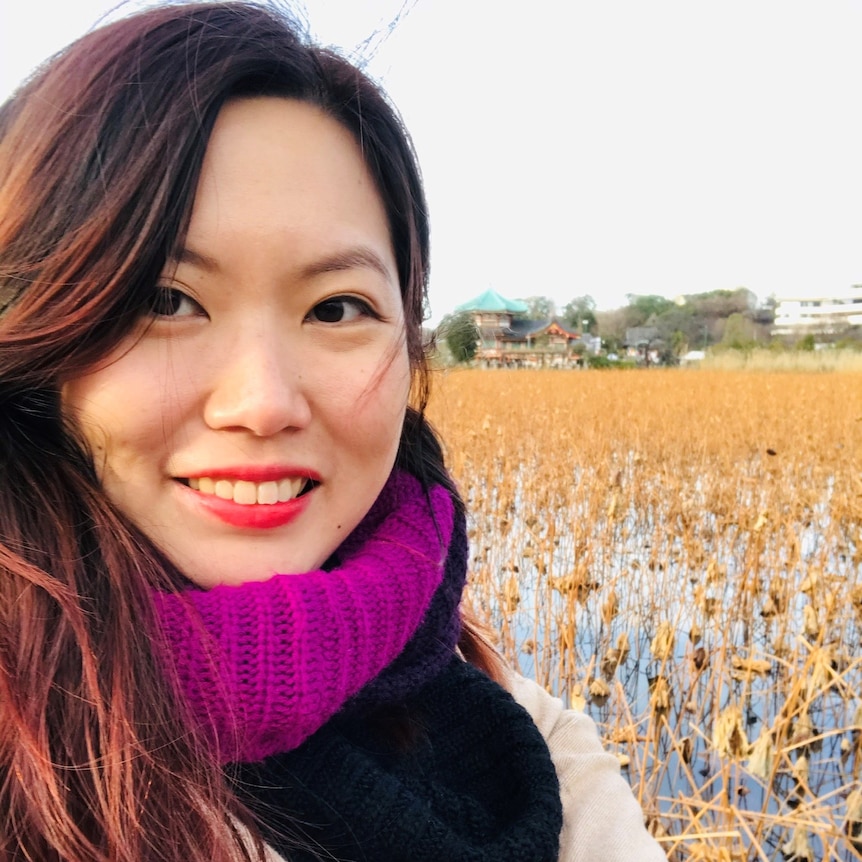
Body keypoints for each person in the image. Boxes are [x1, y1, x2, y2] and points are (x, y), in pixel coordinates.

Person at [0, 3, 667, 860]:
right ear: (34, 336)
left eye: (337, 308)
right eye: (165, 301)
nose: (264, 401)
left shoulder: (524, 731)